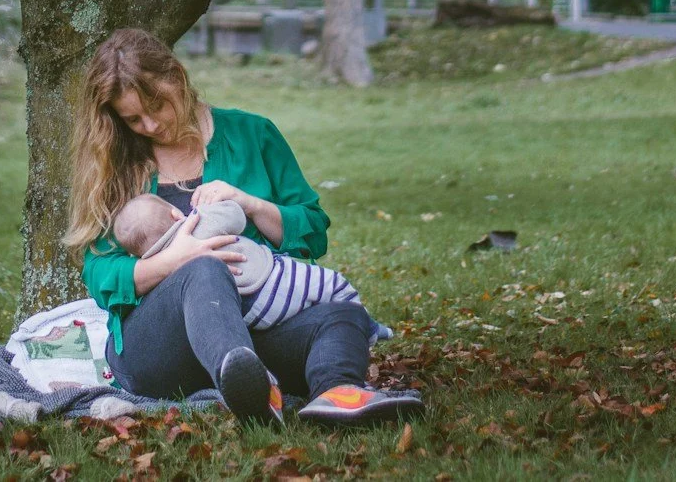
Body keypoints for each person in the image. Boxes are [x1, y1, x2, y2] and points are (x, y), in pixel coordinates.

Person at [68, 27, 421, 428]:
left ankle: (335, 393)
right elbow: (98, 272)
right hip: (161, 349)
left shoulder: (254, 134)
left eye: (157, 106)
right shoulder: (119, 163)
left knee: (342, 314)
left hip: (259, 334)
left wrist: (250, 204)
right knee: (202, 268)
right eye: (133, 118)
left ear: (177, 77)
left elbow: (312, 231)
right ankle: (245, 385)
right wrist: (175, 262)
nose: (149, 125)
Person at [111, 193, 363, 329]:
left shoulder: (156, 268)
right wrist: (218, 204)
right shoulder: (197, 222)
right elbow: (235, 217)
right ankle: (365, 325)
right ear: (175, 213)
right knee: (333, 285)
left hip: (247, 317)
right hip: (271, 282)